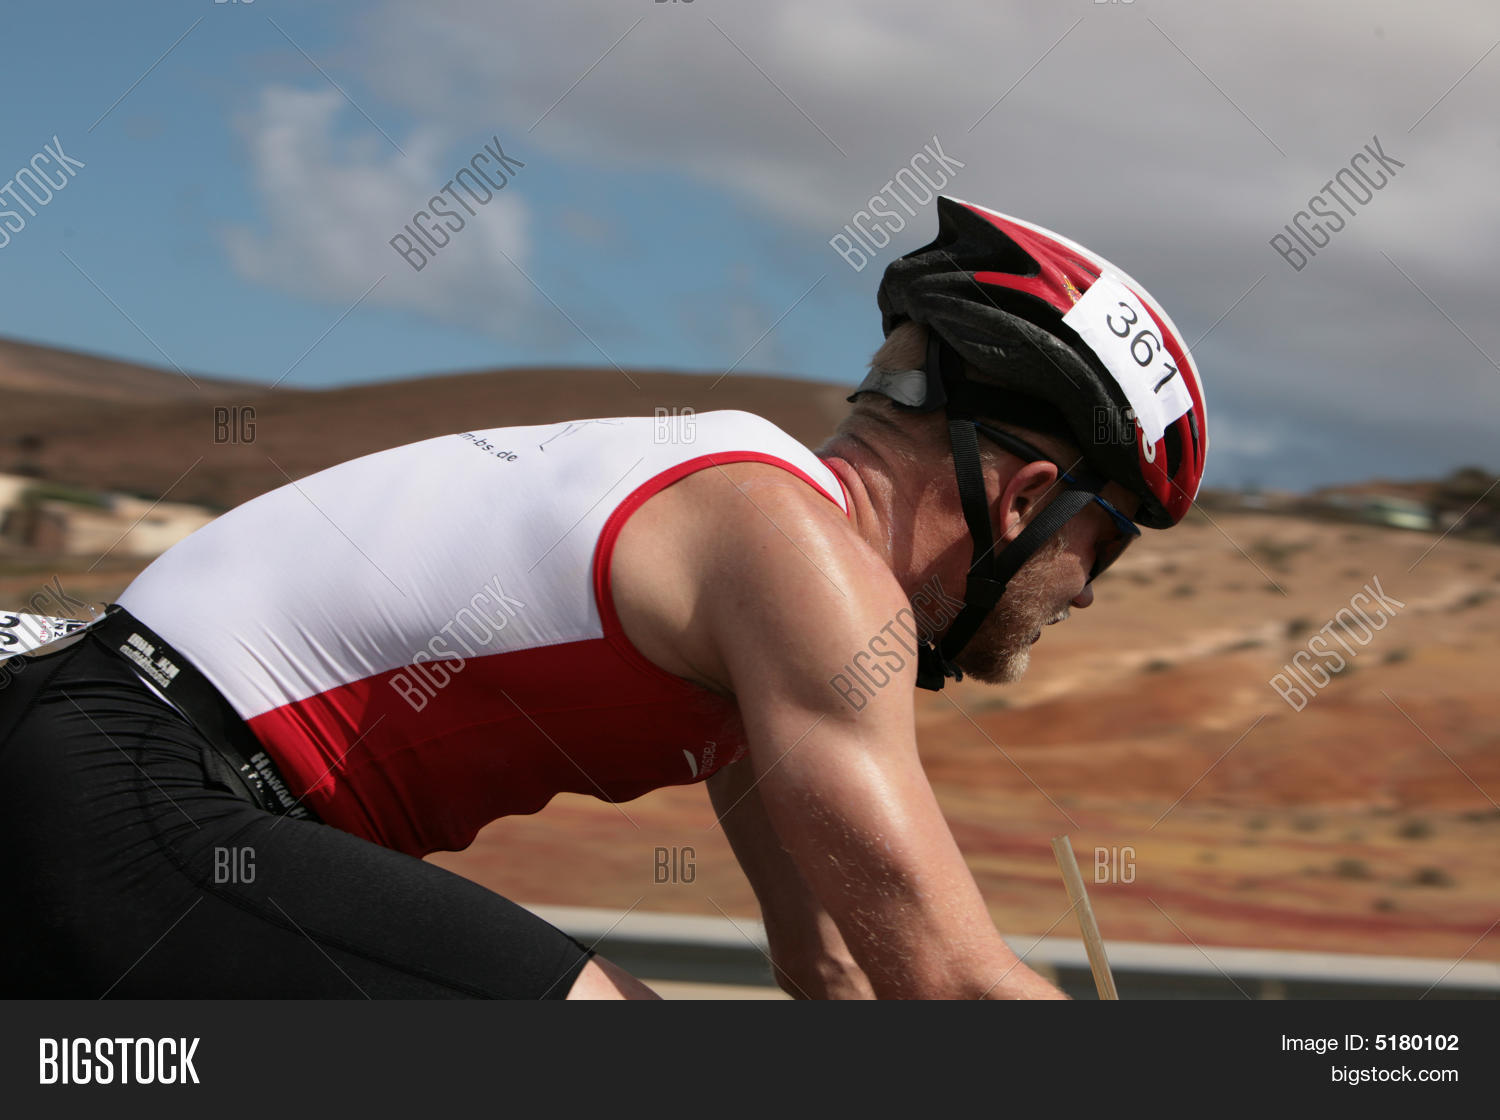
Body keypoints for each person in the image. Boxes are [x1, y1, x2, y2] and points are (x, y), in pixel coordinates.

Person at [0, 196, 1206, 999]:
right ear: (1026, 499)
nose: (1087, 598)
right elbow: (946, 980)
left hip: (97, 761)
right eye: (1100, 549)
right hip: (134, 790)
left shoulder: (761, 576)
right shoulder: (801, 569)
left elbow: (837, 970)